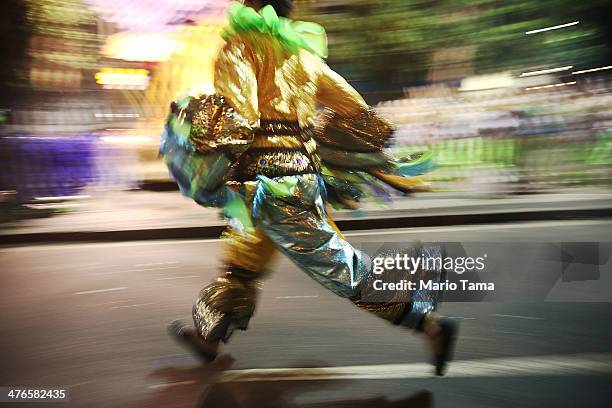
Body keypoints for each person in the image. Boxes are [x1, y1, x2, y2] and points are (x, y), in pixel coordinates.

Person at [162, 0, 457, 376]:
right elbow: (354, 108)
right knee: (244, 259)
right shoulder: (302, 51)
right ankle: (209, 338)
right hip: (299, 175)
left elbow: (242, 116)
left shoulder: (241, 46)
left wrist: (199, 133)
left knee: (336, 265)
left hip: (270, 184)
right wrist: (312, 139)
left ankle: (425, 320)